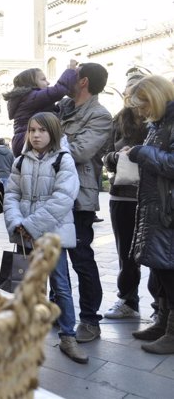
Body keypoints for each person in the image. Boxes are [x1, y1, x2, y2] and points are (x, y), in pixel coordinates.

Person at [4, 112, 87, 363]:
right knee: (27, 285)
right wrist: (16, 222)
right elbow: (11, 195)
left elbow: (63, 199)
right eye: (32, 130)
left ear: (53, 132)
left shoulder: (64, 160)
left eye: (42, 130)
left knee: (60, 285)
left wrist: (30, 225)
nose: (36, 135)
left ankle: (68, 336)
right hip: (24, 235)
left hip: (52, 234)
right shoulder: (20, 160)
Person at [57, 62, 112, 343]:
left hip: (79, 197)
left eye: (73, 76)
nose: (67, 79)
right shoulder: (63, 108)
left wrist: (49, 137)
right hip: (52, 193)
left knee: (81, 257)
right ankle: (58, 310)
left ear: (83, 82)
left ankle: (90, 319)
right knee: (52, 257)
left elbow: (79, 151)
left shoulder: (100, 115)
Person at [125, 75, 174, 354]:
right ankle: (164, 323)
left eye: (143, 105)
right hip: (157, 209)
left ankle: (172, 333)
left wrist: (142, 152)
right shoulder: (159, 124)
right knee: (161, 268)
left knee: (170, 271)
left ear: (155, 98)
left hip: (168, 211)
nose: (140, 112)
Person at [102, 74, 149, 320]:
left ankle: (162, 307)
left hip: (153, 195)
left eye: (138, 90)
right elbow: (105, 154)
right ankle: (128, 300)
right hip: (122, 195)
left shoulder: (158, 120)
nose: (132, 96)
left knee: (158, 251)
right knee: (126, 253)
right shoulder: (118, 120)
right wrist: (117, 157)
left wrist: (141, 154)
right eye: (129, 91)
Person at [3, 62, 78, 157]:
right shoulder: (32, 97)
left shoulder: (26, 98)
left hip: (24, 140)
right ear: (32, 83)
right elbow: (58, 90)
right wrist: (70, 70)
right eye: (43, 79)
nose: (48, 83)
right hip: (30, 141)